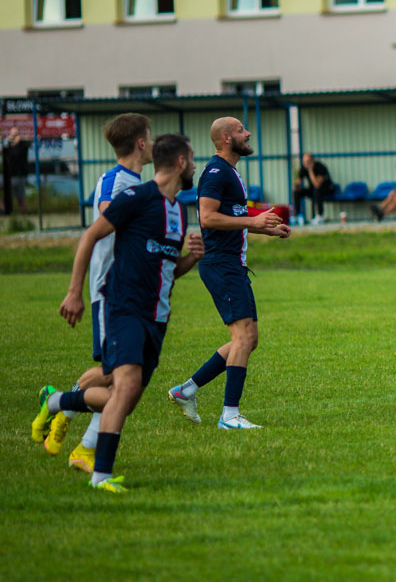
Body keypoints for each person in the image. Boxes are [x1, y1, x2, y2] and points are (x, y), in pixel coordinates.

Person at [38, 134, 203, 492]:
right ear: (180, 162)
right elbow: (90, 236)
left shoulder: (178, 211)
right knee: (124, 386)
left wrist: (191, 258)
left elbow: (167, 269)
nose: (194, 165)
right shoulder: (137, 197)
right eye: (191, 159)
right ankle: (101, 476)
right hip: (124, 308)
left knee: (124, 400)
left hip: (157, 320)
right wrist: (74, 293)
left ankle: (57, 401)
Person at [30, 114, 154, 472]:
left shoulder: (136, 183)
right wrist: (75, 292)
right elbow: (105, 218)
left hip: (130, 292)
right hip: (108, 291)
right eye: (149, 136)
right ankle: (63, 410)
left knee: (117, 377)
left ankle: (68, 419)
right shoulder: (115, 180)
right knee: (119, 380)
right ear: (141, 143)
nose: (152, 142)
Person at [166, 117, 290, 430]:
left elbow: (231, 216)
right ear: (225, 138)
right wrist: (253, 222)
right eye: (240, 130)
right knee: (243, 337)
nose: (247, 133)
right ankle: (229, 416)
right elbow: (208, 218)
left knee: (249, 339)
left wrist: (264, 227)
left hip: (230, 264)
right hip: (221, 265)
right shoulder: (216, 171)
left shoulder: (230, 171)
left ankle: (186, 390)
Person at [293, 152, 337, 224]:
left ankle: (320, 216)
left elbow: (316, 184)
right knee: (297, 192)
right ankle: (297, 215)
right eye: (304, 162)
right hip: (313, 190)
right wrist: (297, 185)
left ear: (312, 160)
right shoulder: (303, 168)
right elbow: (298, 182)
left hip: (327, 189)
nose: (306, 163)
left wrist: (310, 170)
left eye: (308, 161)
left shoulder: (320, 167)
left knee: (317, 190)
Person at [3, 125, 31, 215]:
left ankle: (22, 213)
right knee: (18, 197)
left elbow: (29, 140)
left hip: (20, 175)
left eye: (14, 135)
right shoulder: (9, 147)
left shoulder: (22, 146)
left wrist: (19, 138)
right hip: (11, 176)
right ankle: (4, 209)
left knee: (20, 198)